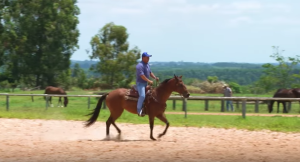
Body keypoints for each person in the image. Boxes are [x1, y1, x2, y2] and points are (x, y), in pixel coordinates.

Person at [136, 52, 159, 117]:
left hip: (146, 84)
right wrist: (149, 80)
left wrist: (155, 77)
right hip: (140, 84)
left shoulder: (147, 65)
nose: (148, 58)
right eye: (147, 57)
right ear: (143, 58)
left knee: (152, 95)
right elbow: (142, 75)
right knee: (142, 96)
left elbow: (150, 72)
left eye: (149, 57)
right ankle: (138, 110)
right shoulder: (139, 65)